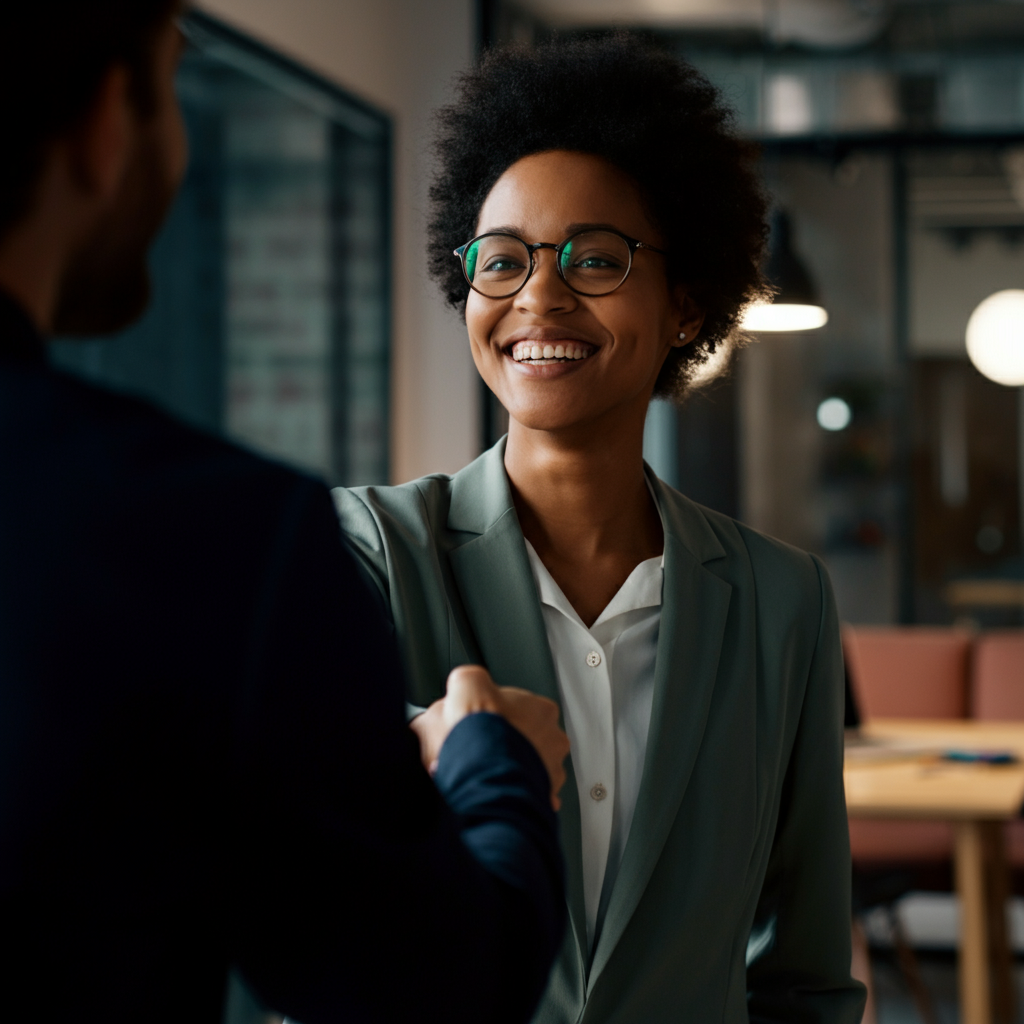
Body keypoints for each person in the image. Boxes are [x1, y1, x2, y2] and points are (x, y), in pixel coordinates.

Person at [0, 3, 570, 1022]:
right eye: (171, 77)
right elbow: (439, 985)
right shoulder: (210, 543)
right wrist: (497, 760)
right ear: (104, 122)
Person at [335, 36, 867, 1024]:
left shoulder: (782, 600)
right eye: (503, 261)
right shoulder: (365, 554)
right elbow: (294, 878)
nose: (538, 296)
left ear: (684, 307)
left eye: (594, 258)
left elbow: (802, 973)